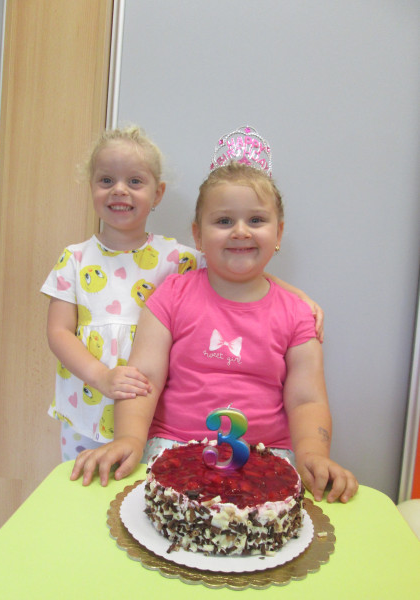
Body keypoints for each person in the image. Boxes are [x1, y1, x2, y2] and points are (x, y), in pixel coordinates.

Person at [70, 126, 358, 504]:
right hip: (170, 446)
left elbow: (307, 400)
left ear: (279, 233)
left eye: (256, 220)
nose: (240, 231)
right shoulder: (171, 294)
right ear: (198, 236)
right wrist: (129, 439)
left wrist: (314, 455)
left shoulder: (298, 314)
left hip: (268, 456)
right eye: (223, 221)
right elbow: (145, 379)